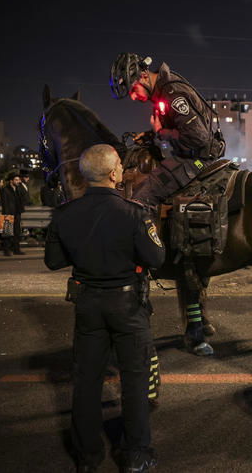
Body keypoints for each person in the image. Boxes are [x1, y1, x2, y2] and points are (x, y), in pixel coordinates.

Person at [45, 144, 164, 473]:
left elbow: (53, 260)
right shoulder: (135, 212)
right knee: (135, 379)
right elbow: (157, 258)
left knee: (86, 381)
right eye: (120, 167)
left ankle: (88, 457)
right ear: (114, 174)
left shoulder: (65, 214)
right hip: (127, 304)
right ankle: (137, 454)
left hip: (87, 303)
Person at [109, 53, 225, 211]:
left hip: (199, 160)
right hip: (189, 155)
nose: (134, 97)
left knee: (141, 198)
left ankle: (148, 235)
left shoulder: (173, 94)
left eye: (134, 90)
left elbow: (198, 137)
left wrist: (162, 132)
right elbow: (178, 127)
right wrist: (151, 134)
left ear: (144, 76)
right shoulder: (162, 91)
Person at [0, 173, 25, 256]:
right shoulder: (5, 189)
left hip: (17, 212)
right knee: (7, 232)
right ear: (11, 181)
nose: (18, 181)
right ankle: (6, 250)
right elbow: (4, 202)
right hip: (8, 212)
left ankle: (16, 249)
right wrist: (6, 214)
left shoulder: (18, 188)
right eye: (16, 180)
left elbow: (24, 196)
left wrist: (20, 185)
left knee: (17, 232)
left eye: (19, 180)